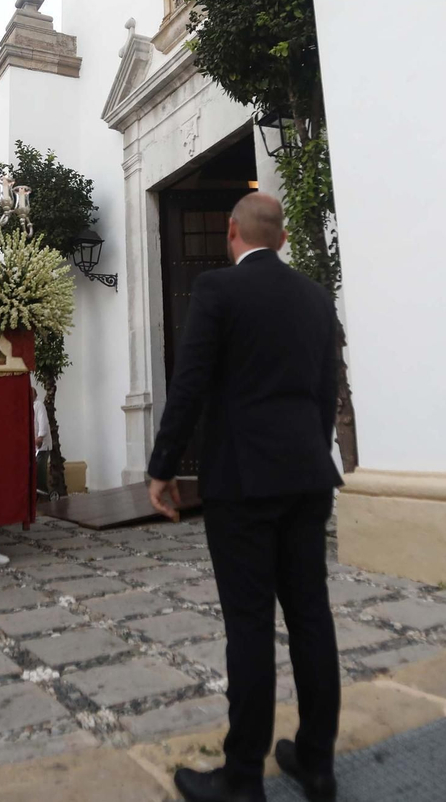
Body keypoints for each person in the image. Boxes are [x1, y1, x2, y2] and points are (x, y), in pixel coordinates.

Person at [147, 192, 342, 802]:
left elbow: (191, 383)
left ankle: (242, 777)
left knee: (250, 625)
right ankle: (316, 763)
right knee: (312, 617)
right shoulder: (316, 297)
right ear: (282, 240)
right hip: (308, 477)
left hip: (243, 484)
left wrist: (163, 468)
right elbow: (326, 390)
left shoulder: (217, 292)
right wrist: (308, 455)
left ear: (231, 231)